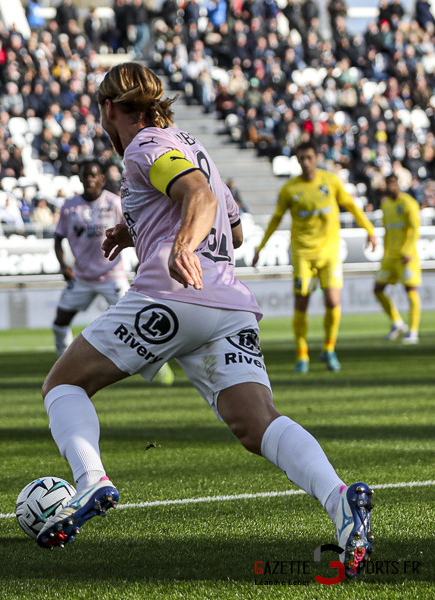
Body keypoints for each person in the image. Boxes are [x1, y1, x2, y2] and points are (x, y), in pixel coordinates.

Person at [35, 64, 374, 582]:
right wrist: (139, 230)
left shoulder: (144, 146)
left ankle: (90, 480)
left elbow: (199, 197)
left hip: (170, 298)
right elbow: (232, 230)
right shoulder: (191, 144)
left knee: (63, 383)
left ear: (107, 108)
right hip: (227, 305)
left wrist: (180, 245)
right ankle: (340, 500)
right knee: (257, 423)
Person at [252, 142, 376, 373]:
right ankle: (302, 355)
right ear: (297, 161)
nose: (305, 162)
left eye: (309, 157)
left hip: (329, 252)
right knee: (302, 303)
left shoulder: (330, 181)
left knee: (332, 302)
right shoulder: (290, 189)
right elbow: (276, 219)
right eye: (301, 158)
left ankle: (329, 349)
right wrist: (261, 246)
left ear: (317, 157)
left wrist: (370, 230)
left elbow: (351, 205)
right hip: (302, 253)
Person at [52, 160, 175, 384]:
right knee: (60, 322)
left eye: (94, 175)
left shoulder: (115, 203)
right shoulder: (69, 207)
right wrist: (63, 265)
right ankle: (64, 365)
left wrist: (143, 260)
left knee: (138, 321)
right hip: (82, 277)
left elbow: (138, 232)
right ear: (80, 178)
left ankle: (160, 366)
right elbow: (58, 239)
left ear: (101, 178)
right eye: (85, 175)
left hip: (112, 276)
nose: (89, 178)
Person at [374, 174, 421, 344]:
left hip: (406, 256)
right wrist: (384, 254)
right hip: (390, 257)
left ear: (398, 184)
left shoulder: (408, 203)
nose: (391, 186)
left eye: (393, 183)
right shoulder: (386, 205)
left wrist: (407, 251)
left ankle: (413, 332)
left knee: (410, 290)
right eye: (388, 184)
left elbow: (416, 229)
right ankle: (397, 322)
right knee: (378, 289)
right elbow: (387, 232)